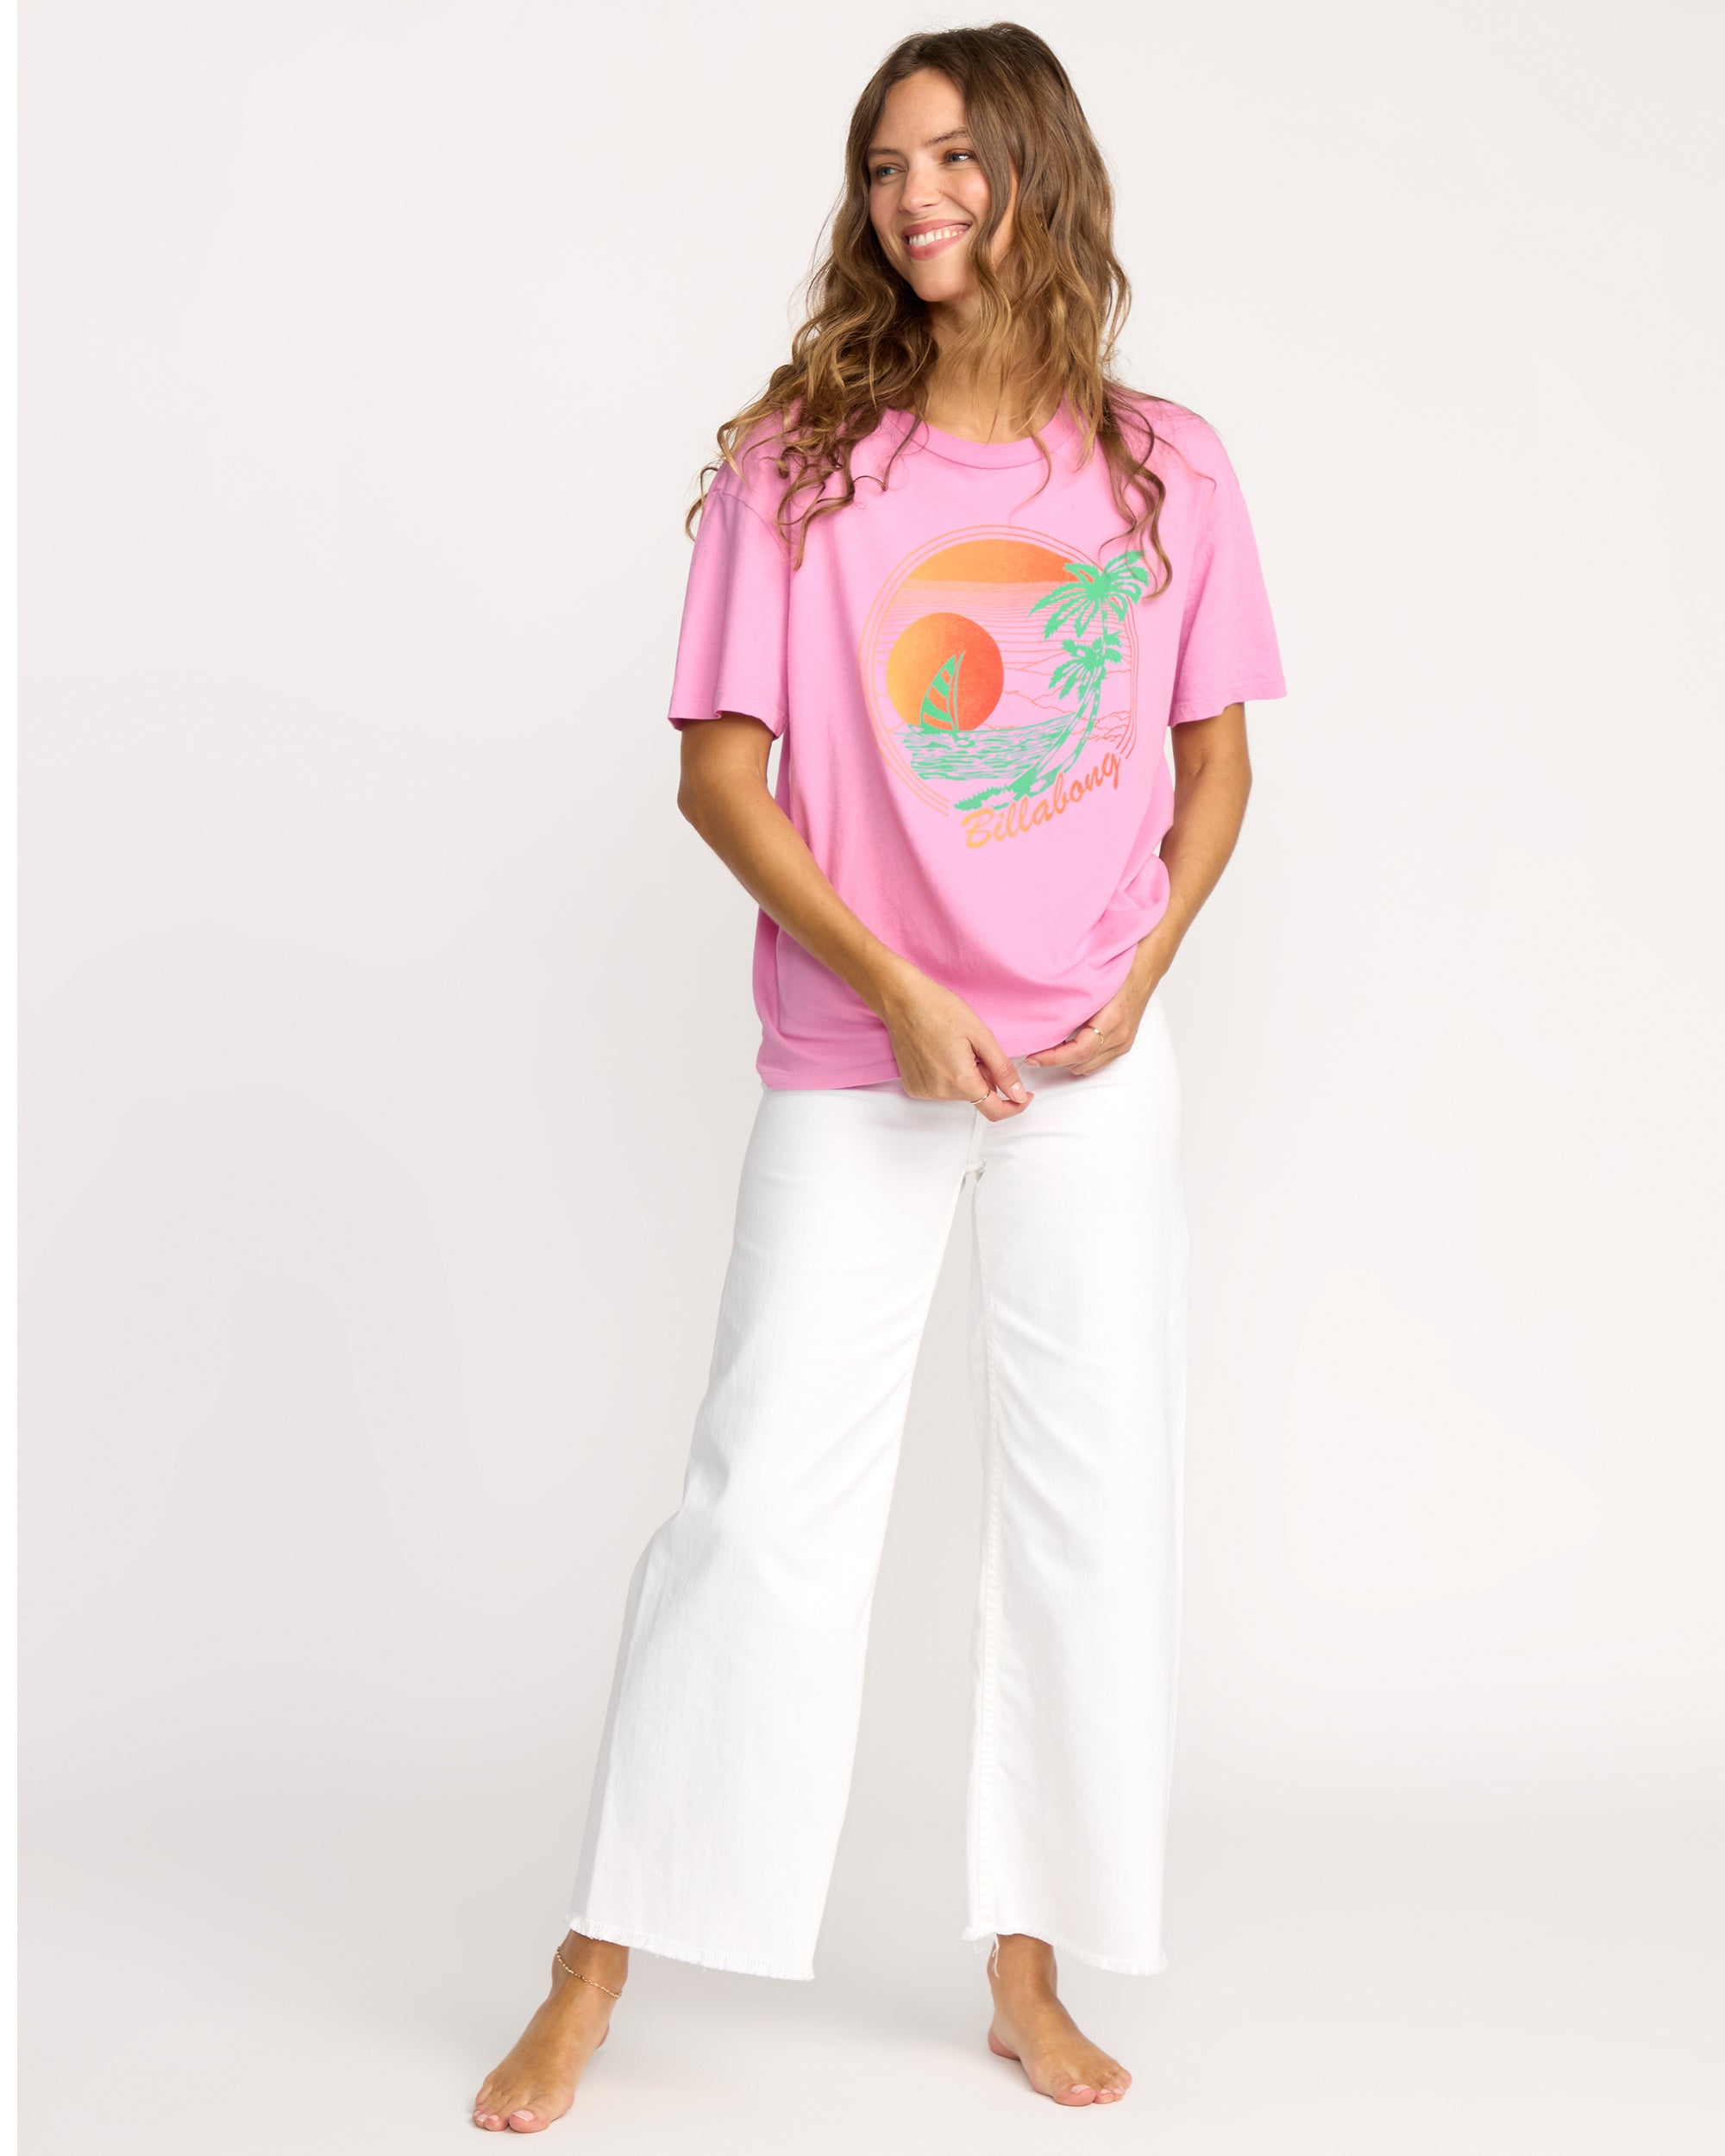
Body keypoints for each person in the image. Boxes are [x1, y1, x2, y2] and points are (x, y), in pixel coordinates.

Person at [474, 22, 1285, 2132]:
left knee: (1091, 1515)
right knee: (759, 1505)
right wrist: (898, 985)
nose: (912, 195)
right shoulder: (802, 464)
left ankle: (1025, 1962)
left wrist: (1146, 967)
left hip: (1093, 1068)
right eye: (883, 163)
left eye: (950, 156)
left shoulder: (1167, 466)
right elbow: (718, 777)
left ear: (1036, 172)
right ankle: (593, 1961)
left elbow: (1214, 764)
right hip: (861, 1053)